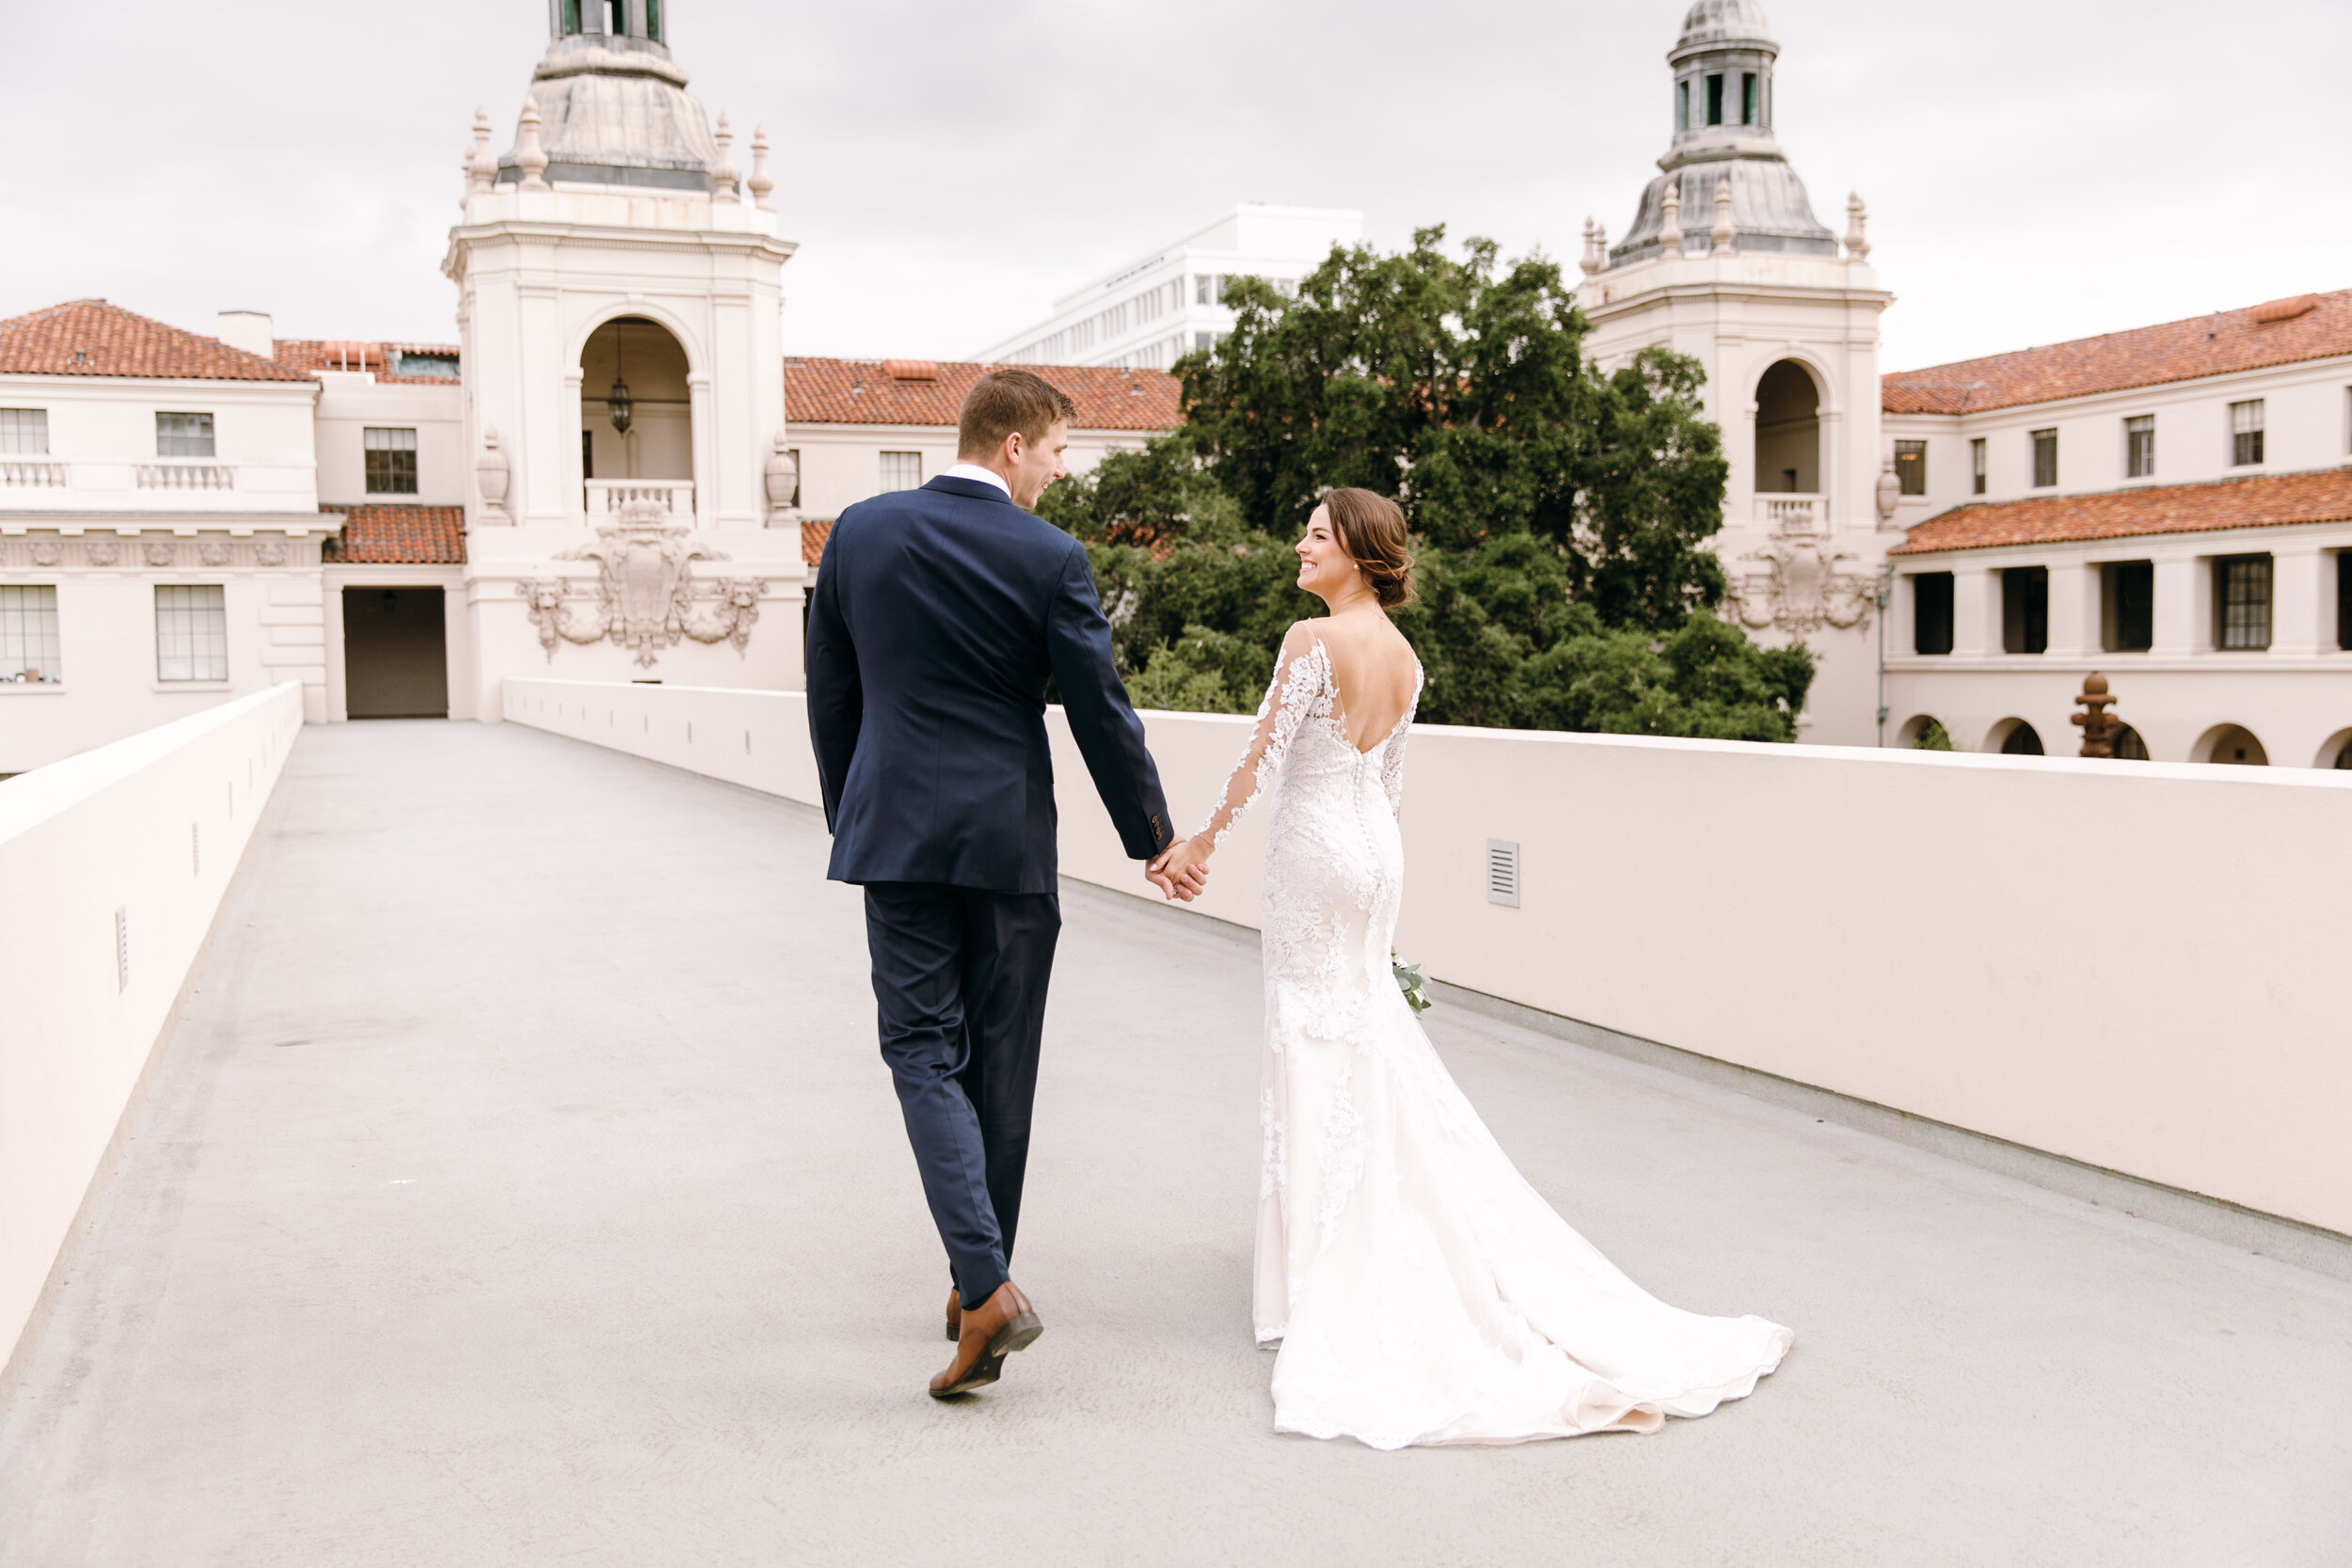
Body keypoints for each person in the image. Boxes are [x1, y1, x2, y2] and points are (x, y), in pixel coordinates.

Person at [1148, 488, 1791, 1448]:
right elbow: (1392, 790)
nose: (1299, 546)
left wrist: (1195, 839)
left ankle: (1317, 1273)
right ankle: (1344, 1237)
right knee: (1359, 1027)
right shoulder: (1406, 660)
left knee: (1308, 1034)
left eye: (1316, 536)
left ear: (1358, 554)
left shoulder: (1309, 642)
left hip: (1316, 852)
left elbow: (1259, 761)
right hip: (1372, 856)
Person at [805, 369, 1208, 1401]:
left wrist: (853, 808)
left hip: (895, 833)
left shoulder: (858, 532)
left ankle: (982, 1284)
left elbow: (833, 694)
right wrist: (1150, 835)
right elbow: (1099, 709)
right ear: (1015, 444)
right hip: (1008, 842)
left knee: (920, 1049)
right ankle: (977, 1278)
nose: (1062, 473)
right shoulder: (1050, 555)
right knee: (1003, 1066)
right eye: (1062, 451)